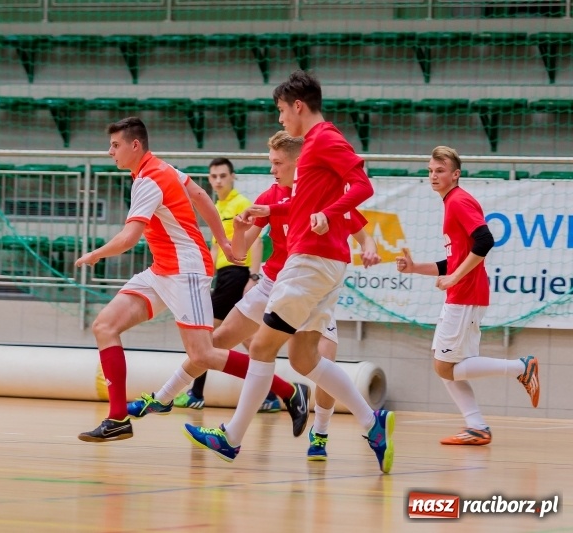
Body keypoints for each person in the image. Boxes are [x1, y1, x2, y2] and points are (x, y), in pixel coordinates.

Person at [182, 70, 395, 474]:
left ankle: (231, 439)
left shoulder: (325, 137)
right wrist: (273, 210)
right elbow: (311, 202)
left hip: (311, 260)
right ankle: (372, 423)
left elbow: (362, 187)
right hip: (323, 262)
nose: (280, 119)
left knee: (261, 347)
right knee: (302, 358)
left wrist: (327, 215)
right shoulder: (314, 145)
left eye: (281, 110)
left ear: (298, 106)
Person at [74, 117, 240, 442]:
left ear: (135, 146)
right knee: (104, 326)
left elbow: (128, 239)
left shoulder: (149, 180)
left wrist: (95, 255)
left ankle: (285, 389)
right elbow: (203, 197)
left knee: (203, 355)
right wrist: (222, 241)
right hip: (162, 270)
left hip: (186, 271)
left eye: (115, 145)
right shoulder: (164, 169)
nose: (110, 152)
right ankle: (118, 417)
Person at [395, 146, 540, 446]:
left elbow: (485, 240)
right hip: (464, 293)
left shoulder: (459, 200)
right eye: (430, 170)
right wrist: (415, 267)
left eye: (440, 170)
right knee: (448, 365)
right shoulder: (451, 203)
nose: (433, 176)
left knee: (443, 365)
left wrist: (455, 279)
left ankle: (520, 368)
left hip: (466, 294)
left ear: (455, 174)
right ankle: (477, 427)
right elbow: (455, 260)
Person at [172, 157, 278, 412]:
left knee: (205, 336)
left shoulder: (242, 204)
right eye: (214, 176)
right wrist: (205, 277)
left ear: (232, 177)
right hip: (222, 275)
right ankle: (272, 393)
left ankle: (196, 393)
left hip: (237, 273)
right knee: (247, 340)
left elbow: (257, 241)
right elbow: (214, 246)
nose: (218, 180)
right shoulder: (216, 206)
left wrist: (252, 277)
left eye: (223, 176)